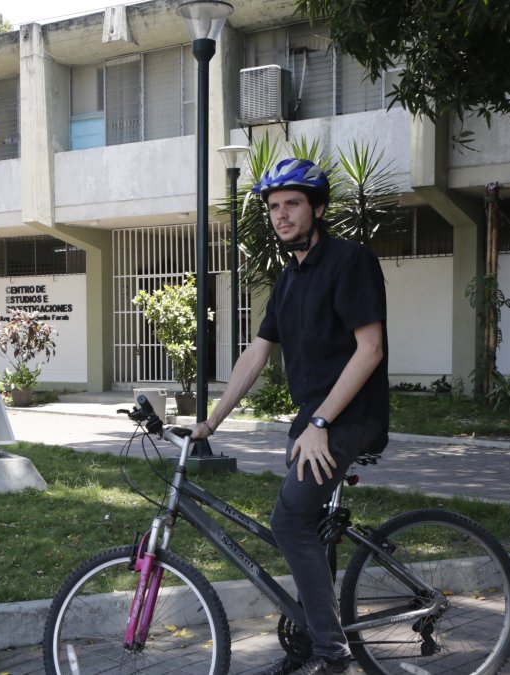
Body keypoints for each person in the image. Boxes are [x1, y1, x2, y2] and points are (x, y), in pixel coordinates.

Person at [191, 158, 389, 675]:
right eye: (274, 207)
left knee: (289, 520)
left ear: (318, 208)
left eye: (293, 204)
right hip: (314, 420)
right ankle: (311, 637)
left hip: (350, 416)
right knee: (307, 525)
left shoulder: (351, 261)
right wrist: (211, 423)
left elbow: (369, 350)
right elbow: (255, 355)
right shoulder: (288, 279)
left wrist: (321, 425)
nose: (281, 215)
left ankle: (331, 652)